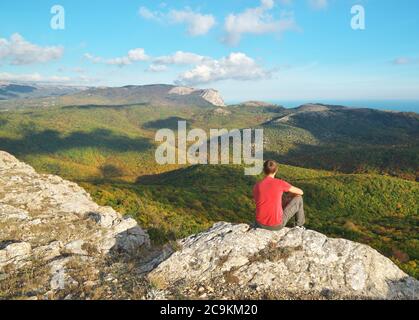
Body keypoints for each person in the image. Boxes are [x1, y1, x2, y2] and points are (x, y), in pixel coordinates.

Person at [253, 160, 305, 231]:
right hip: (276, 225)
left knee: (281, 198)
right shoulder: (280, 183)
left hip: (259, 224)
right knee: (299, 198)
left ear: (263, 170)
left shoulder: (257, 186)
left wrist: (287, 198)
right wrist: (291, 195)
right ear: (276, 170)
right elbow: (301, 192)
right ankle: (299, 226)